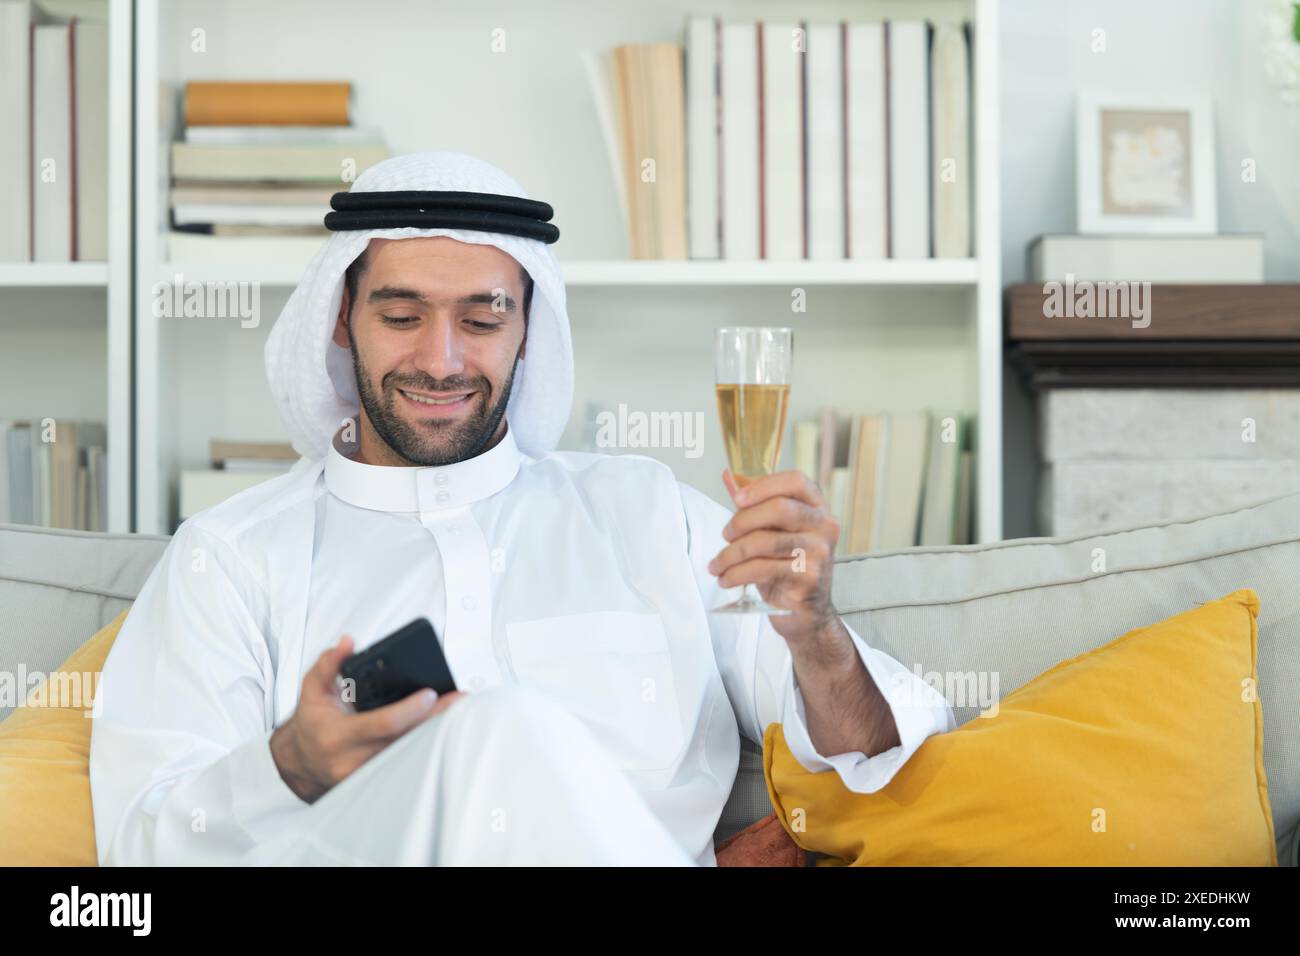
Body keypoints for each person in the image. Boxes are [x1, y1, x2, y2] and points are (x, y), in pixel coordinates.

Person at [89, 152, 956, 866]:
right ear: (341, 319)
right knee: (497, 729)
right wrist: (291, 767)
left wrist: (817, 637)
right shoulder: (230, 557)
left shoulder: (650, 514)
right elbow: (139, 849)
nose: (440, 359)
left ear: (529, 332)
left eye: (483, 318)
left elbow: (877, 752)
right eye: (401, 314)